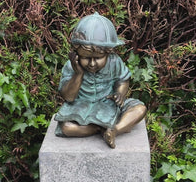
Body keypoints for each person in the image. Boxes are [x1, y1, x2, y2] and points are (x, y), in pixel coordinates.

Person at [54, 13, 147, 148]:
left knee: (140, 109)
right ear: (76, 54)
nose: (92, 64)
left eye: (98, 58)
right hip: (81, 106)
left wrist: (120, 93)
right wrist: (78, 73)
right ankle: (99, 129)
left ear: (108, 53)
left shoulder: (114, 62)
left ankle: (115, 129)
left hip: (108, 104)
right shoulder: (71, 66)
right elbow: (69, 97)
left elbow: (123, 79)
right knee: (66, 127)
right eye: (86, 58)